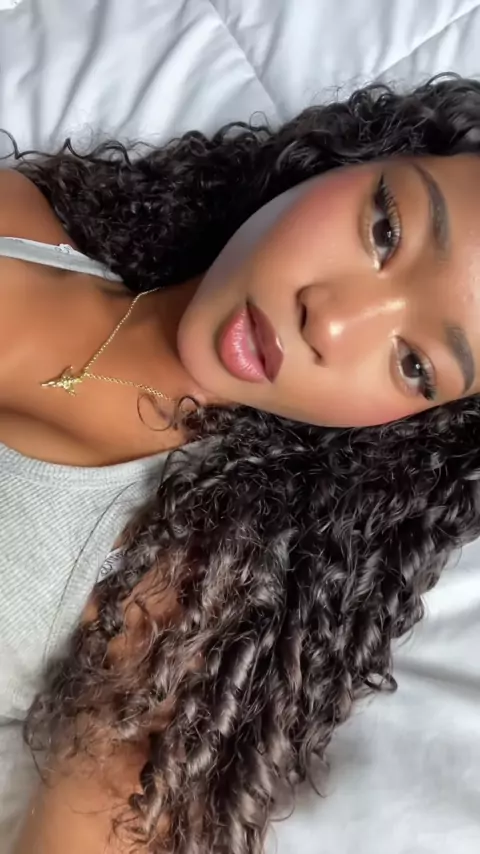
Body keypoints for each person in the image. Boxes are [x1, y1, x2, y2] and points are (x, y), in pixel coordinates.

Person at [2, 74, 480, 854]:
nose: (332, 320)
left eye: (415, 365)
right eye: (386, 229)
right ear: (344, 161)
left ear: (412, 428)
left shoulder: (179, 596)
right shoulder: (23, 216)